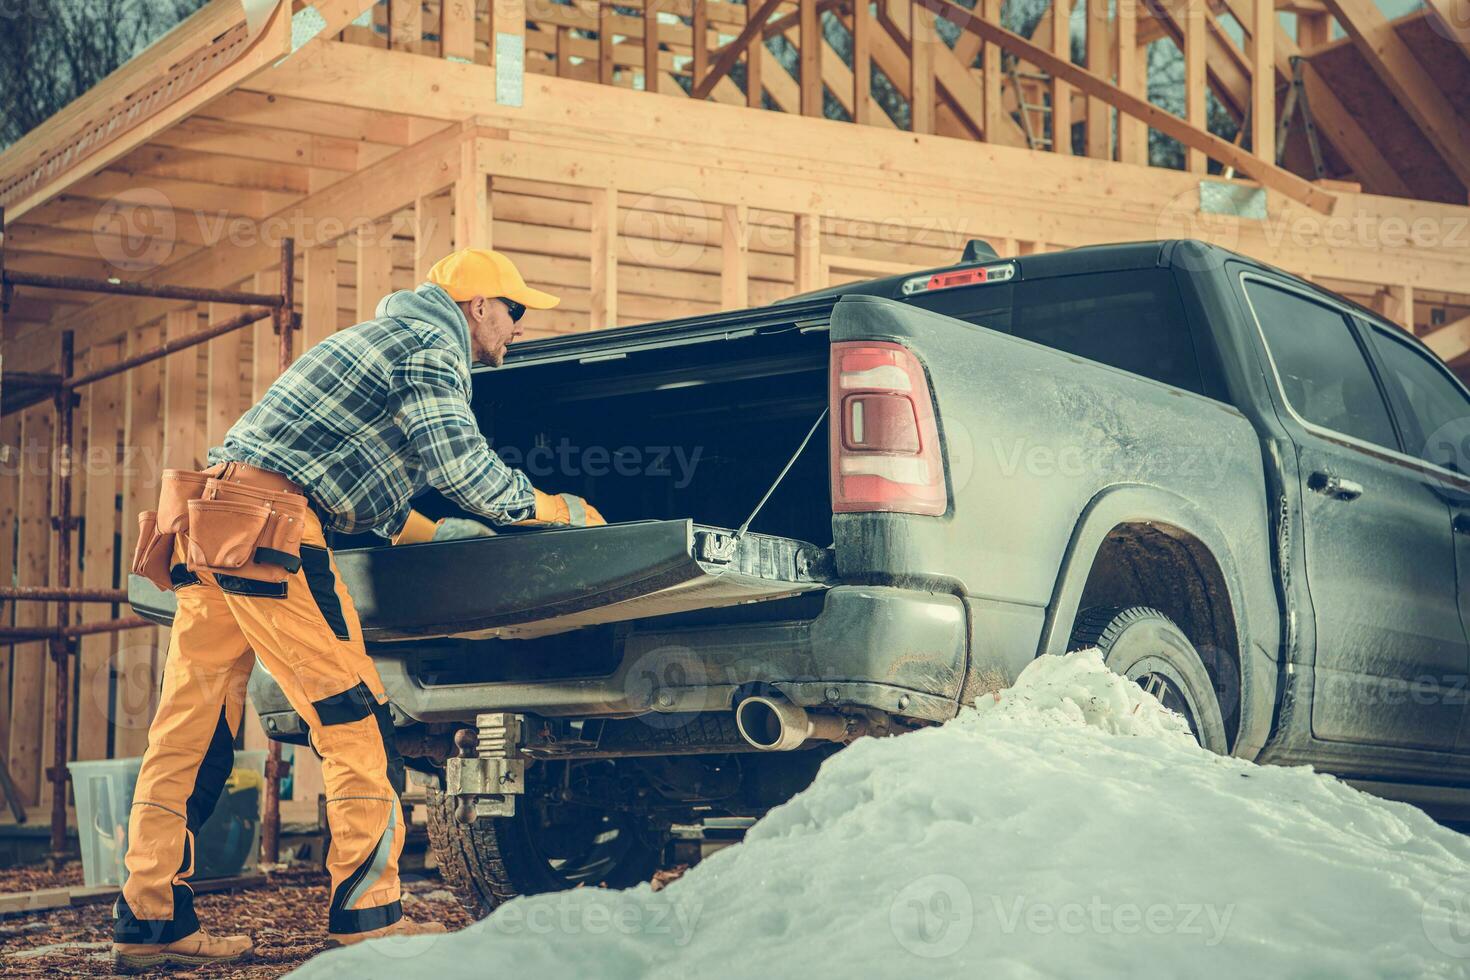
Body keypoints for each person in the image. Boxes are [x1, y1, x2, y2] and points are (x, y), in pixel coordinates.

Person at [112, 249, 604, 969]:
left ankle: (150, 921)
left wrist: (427, 535)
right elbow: (462, 468)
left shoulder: (380, 341)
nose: (518, 329)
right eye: (515, 311)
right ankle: (368, 917)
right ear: (476, 307)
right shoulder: (431, 348)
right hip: (269, 529)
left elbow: (343, 472)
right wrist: (557, 511)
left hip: (212, 520)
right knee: (356, 720)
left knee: (189, 731)